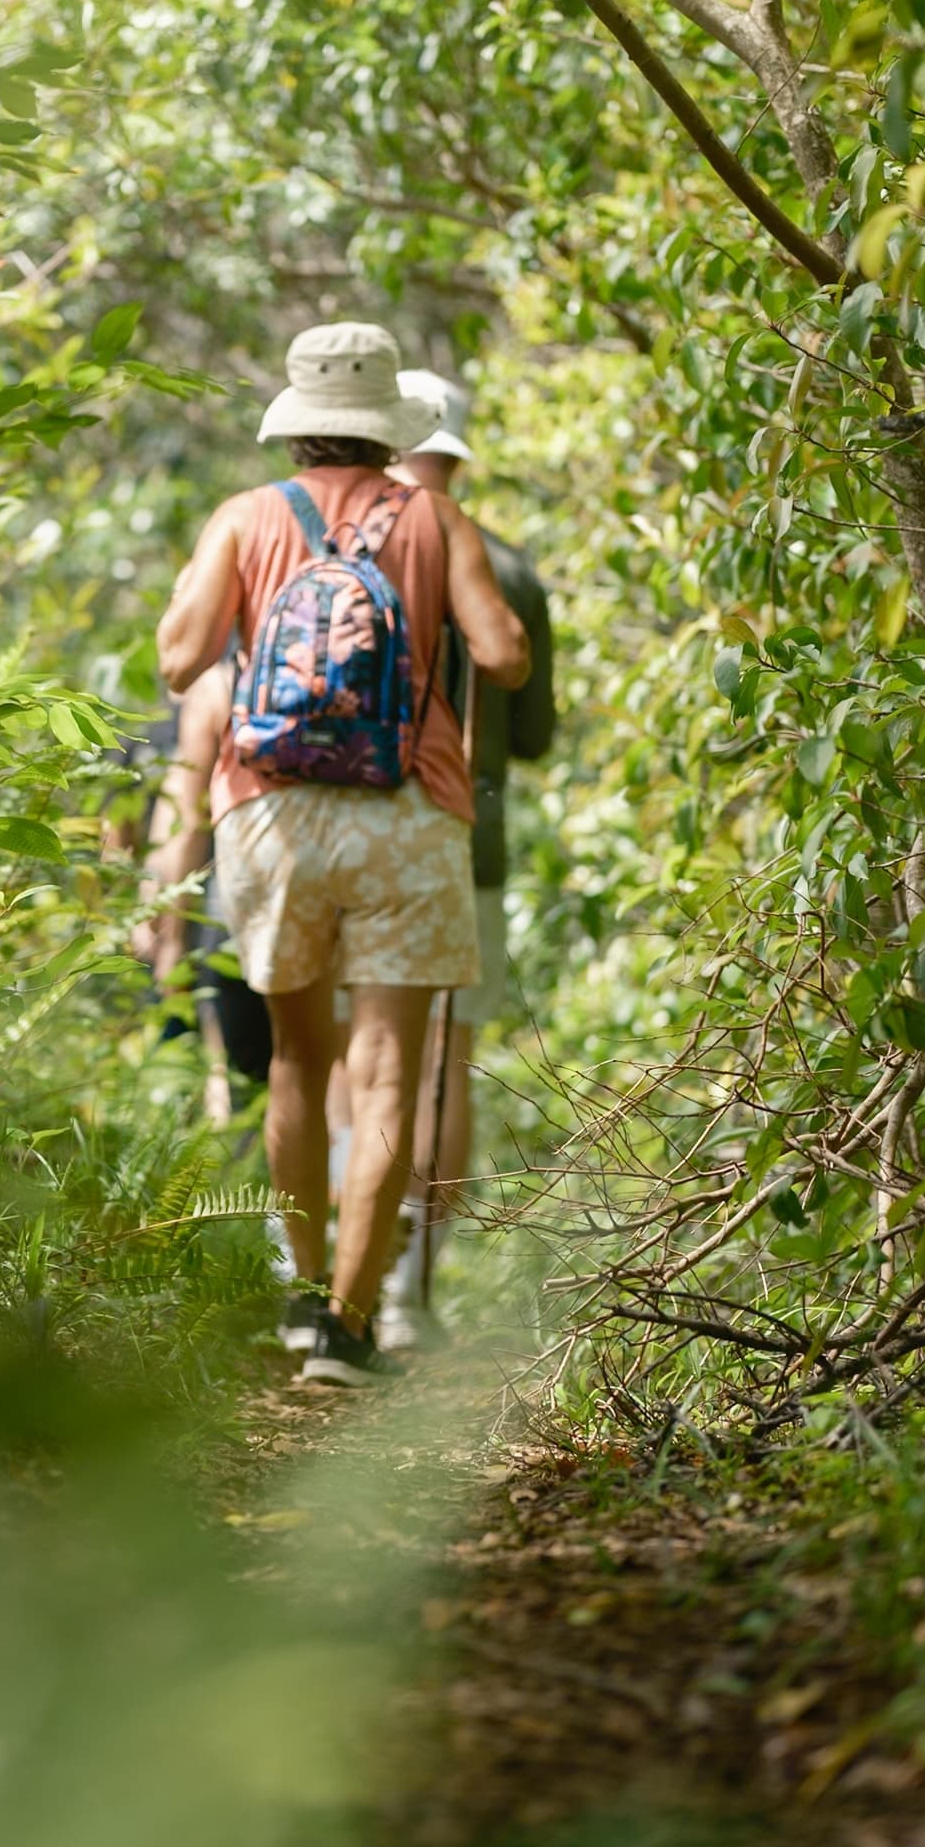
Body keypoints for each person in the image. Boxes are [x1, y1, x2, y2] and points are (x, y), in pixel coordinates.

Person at [157, 322, 530, 1387]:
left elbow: (180, 661)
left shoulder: (245, 517)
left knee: (297, 1060)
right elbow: (502, 655)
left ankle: (304, 1288)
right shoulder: (437, 518)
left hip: (271, 817)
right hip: (407, 815)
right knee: (388, 1073)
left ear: (297, 424)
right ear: (387, 430)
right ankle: (351, 1328)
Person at [378, 369, 556, 1350]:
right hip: (465, 838)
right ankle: (410, 1288)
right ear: (456, 451)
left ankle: (333, 1271)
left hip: (351, 829)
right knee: (443, 1060)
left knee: (356, 1052)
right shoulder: (509, 570)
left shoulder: (343, 544)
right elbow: (533, 738)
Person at [137, 662, 272, 1124]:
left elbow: (186, 821)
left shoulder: (219, 687)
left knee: (243, 1076)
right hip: (340, 894)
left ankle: (238, 1160)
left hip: (235, 916)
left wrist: (171, 934)